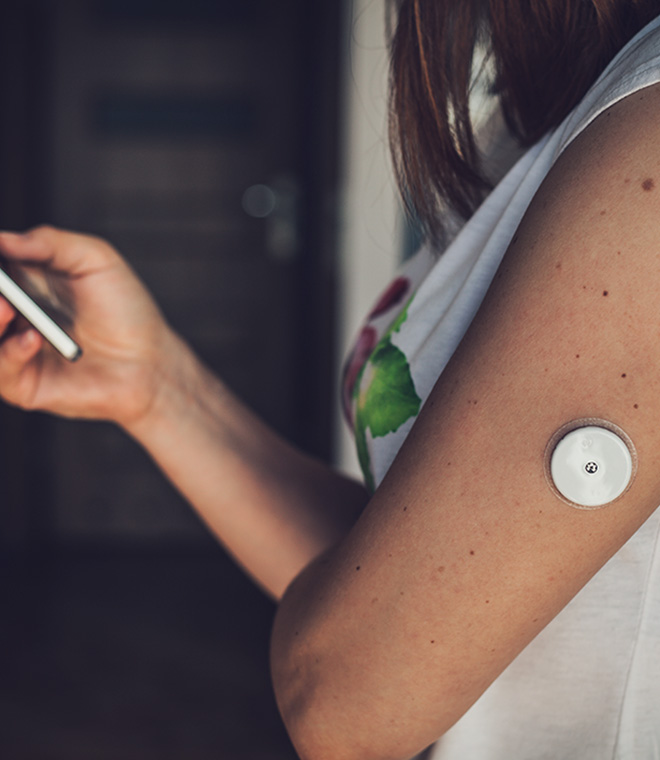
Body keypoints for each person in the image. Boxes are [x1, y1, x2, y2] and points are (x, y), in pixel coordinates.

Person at [1, 1, 660, 757]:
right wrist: (156, 386)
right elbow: (396, 581)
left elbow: (349, 698)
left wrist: (350, 656)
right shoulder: (530, 118)